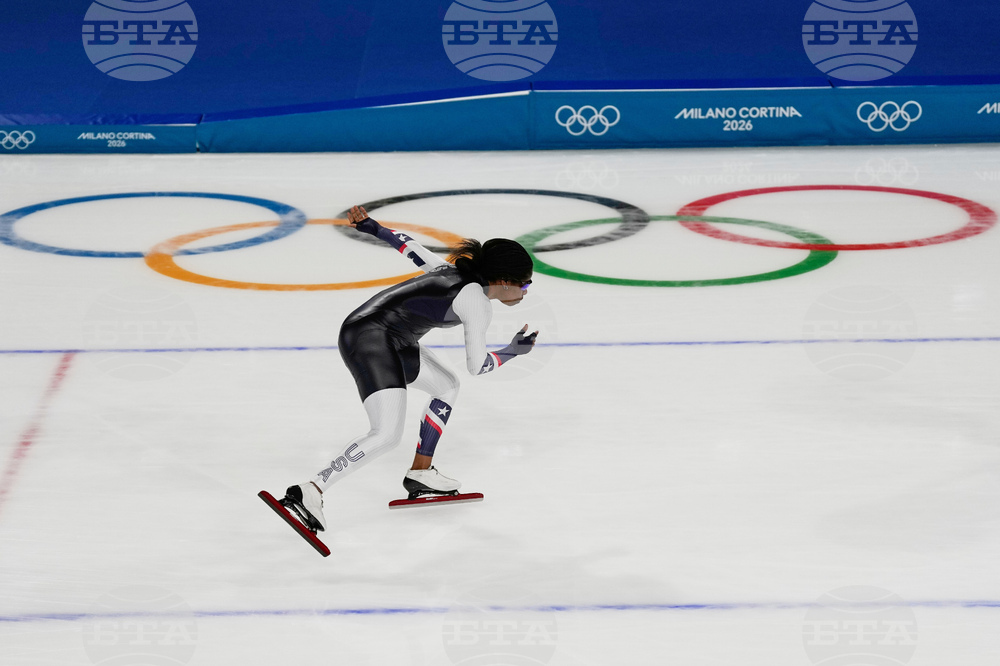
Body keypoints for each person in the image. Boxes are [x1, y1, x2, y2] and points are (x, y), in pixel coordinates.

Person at [281, 205, 538, 533]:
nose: (526, 292)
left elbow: (411, 248)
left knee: (446, 385)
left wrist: (373, 227)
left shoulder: (450, 271)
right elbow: (478, 366)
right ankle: (311, 490)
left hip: (390, 338)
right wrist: (513, 351)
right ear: (504, 281)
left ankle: (421, 471)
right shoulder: (477, 304)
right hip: (371, 340)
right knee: (386, 434)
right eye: (525, 285)